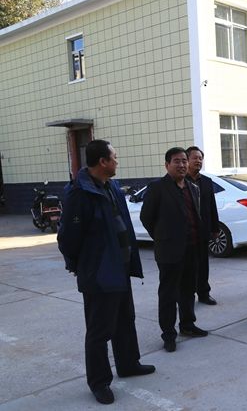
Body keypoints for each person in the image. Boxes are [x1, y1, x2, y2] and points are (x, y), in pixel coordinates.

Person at [58, 139, 155, 405]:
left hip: (120, 268)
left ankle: (128, 364)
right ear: (102, 161)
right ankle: (99, 382)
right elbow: (68, 238)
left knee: (125, 319)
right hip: (99, 273)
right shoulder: (79, 194)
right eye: (114, 157)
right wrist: (80, 266)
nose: (117, 161)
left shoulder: (111, 186)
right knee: (99, 330)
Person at [140, 147, 208, 353]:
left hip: (192, 248)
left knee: (188, 290)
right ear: (167, 165)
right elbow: (146, 217)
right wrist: (162, 237)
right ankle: (168, 334)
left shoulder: (192, 187)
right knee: (168, 294)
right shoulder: (157, 188)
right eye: (177, 161)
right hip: (169, 250)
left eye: (184, 161)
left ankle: (187, 324)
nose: (182, 165)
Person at [186, 146, 220, 306]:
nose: (198, 161)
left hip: (203, 231)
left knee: (203, 264)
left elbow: (212, 206)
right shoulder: (181, 181)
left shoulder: (206, 182)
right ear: (187, 160)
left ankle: (204, 293)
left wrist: (215, 228)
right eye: (195, 158)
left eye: (200, 158)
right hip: (186, 233)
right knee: (188, 267)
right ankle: (187, 296)